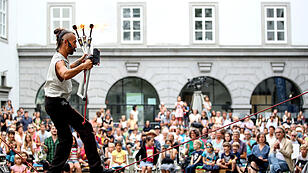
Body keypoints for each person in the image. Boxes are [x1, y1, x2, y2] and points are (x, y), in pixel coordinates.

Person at [44, 28, 113, 173]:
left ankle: (53, 171)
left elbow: (68, 67)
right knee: (86, 128)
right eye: (74, 42)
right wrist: (84, 66)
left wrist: (81, 61)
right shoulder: (58, 61)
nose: (76, 46)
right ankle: (96, 169)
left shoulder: (60, 58)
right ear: (65, 42)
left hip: (54, 103)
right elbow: (64, 73)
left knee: (66, 139)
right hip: (57, 103)